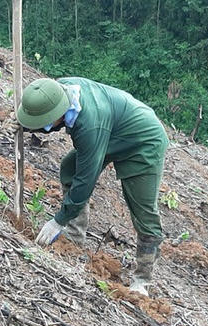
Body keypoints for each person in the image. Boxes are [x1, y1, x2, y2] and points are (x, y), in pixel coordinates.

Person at [16, 77, 168, 296]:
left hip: (142, 140)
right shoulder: (57, 91)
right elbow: (52, 122)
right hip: (111, 131)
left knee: (143, 209)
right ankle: (74, 238)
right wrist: (23, 122)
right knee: (70, 167)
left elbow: (85, 181)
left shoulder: (89, 125)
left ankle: (142, 279)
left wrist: (59, 220)